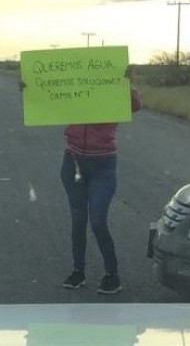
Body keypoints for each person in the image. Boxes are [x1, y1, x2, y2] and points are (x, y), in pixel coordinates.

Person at [59, 68, 141, 296]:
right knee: (78, 219)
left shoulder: (115, 90)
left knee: (97, 221)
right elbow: (48, 101)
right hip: (73, 161)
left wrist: (126, 84)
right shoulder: (74, 89)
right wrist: (30, 90)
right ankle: (78, 271)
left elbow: (135, 105)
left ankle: (112, 274)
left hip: (103, 164)